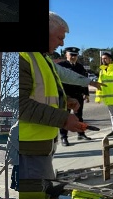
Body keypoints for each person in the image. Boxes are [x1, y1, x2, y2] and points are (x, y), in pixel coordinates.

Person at [17, 14, 88, 181]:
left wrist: (65, 101)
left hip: (41, 144)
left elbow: (41, 93)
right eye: (59, 38)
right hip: (29, 149)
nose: (62, 43)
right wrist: (63, 119)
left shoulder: (42, 57)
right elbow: (19, 105)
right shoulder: (23, 56)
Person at [56, 47, 92, 144]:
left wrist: (86, 93)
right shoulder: (60, 66)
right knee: (64, 116)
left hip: (77, 95)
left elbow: (84, 80)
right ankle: (64, 137)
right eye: (71, 55)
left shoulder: (80, 67)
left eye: (75, 55)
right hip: (65, 96)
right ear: (66, 55)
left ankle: (81, 134)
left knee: (79, 116)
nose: (73, 57)